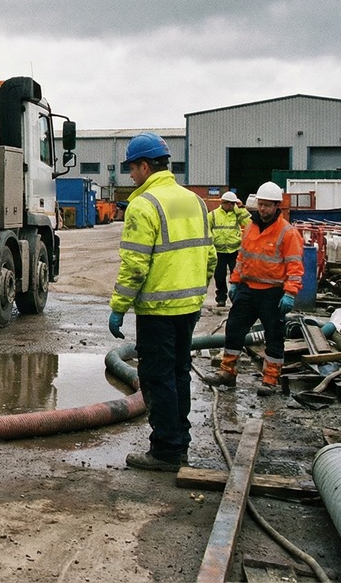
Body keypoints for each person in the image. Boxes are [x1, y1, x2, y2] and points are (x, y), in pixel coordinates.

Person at [108, 132, 216, 472]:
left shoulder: (144, 205)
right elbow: (210, 256)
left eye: (132, 169)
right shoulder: (195, 201)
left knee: (157, 378)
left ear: (144, 166)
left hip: (158, 310)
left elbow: (135, 265)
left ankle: (166, 451)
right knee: (179, 373)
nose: (130, 176)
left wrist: (119, 307)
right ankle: (179, 442)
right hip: (189, 307)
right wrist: (197, 291)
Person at [203, 181, 303, 396]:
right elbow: (242, 258)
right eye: (261, 204)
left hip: (273, 293)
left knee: (274, 335)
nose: (264, 209)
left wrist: (290, 293)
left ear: (277, 206)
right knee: (234, 329)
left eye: (268, 205)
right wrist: (235, 282)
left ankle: (270, 379)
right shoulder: (250, 227)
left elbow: (295, 266)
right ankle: (227, 372)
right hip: (248, 289)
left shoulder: (288, 233)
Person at [207, 191, 250, 307]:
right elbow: (206, 230)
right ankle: (221, 298)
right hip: (219, 251)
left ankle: (236, 298)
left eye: (233, 204)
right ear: (223, 203)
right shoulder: (213, 215)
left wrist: (241, 208)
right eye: (230, 204)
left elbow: (249, 223)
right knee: (219, 276)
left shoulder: (237, 214)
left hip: (234, 250)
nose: (231, 206)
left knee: (236, 275)